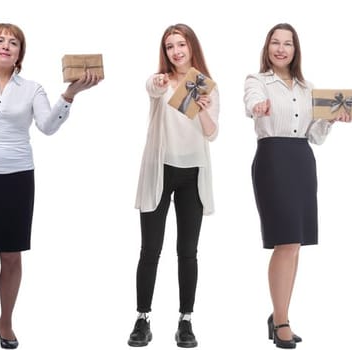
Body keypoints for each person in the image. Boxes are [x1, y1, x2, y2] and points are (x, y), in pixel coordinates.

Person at [0, 22, 100, 349]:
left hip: (17, 177)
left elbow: (47, 126)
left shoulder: (32, 88)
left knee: (12, 254)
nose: (5, 45)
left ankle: (7, 322)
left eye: (13, 42)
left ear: (20, 53)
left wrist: (70, 94)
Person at [242, 22, 352, 350]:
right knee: (285, 240)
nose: (281, 48)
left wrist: (331, 119)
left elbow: (315, 136)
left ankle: (280, 315)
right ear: (268, 48)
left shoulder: (308, 87)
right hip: (273, 159)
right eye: (275, 43)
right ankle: (281, 321)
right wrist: (258, 108)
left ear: (295, 49)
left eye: (287, 43)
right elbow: (252, 104)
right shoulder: (257, 81)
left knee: (295, 243)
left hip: (302, 161)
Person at [128, 23, 219, 349]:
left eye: (181, 45)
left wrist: (205, 111)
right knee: (150, 249)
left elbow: (211, 133)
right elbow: (151, 88)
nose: (176, 51)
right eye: (170, 46)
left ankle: (186, 320)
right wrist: (156, 82)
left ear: (192, 47)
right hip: (160, 170)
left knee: (187, 251)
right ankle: (142, 318)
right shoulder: (161, 81)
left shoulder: (205, 86)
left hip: (192, 173)